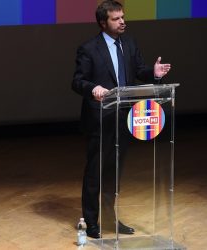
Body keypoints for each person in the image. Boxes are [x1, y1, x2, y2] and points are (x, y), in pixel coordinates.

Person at [72, 0, 171, 239]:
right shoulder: (89, 48)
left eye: (123, 17)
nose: (123, 21)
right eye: (117, 19)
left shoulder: (129, 43)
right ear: (103, 22)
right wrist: (93, 88)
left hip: (125, 117)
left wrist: (153, 74)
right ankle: (92, 221)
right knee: (95, 172)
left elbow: (139, 71)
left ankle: (109, 218)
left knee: (114, 172)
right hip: (100, 119)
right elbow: (77, 81)